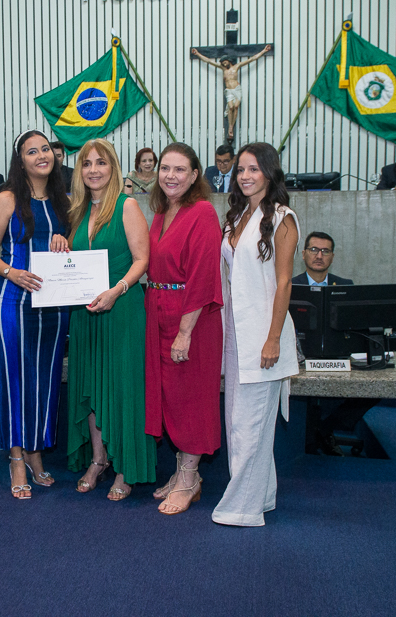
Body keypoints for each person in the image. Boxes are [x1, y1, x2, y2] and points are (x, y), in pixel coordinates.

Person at [0, 129, 71, 500]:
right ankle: (16, 457)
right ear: (21, 160)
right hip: (9, 300)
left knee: (45, 378)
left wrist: (65, 243)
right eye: (32, 152)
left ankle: (36, 451)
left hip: (52, 302)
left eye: (45, 149)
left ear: (55, 155)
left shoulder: (63, 199)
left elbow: (72, 251)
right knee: (15, 378)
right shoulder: (5, 199)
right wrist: (11, 272)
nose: (41, 156)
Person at [213, 142, 300, 527]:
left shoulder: (282, 218)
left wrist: (273, 338)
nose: (245, 176)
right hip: (235, 332)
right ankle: (261, 496)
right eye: (241, 170)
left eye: (253, 169)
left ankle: (242, 508)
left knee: (251, 423)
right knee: (239, 420)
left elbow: (284, 284)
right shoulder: (236, 216)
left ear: (269, 172)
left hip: (266, 335)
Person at [66, 139, 156, 501]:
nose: (93, 170)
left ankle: (125, 467)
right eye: (86, 163)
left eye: (100, 163)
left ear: (113, 167)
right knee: (90, 384)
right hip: (85, 313)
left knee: (122, 387)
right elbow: (70, 262)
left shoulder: (127, 205)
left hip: (122, 310)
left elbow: (142, 260)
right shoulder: (76, 211)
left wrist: (116, 291)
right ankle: (99, 459)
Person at [145, 142, 224, 515]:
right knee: (171, 397)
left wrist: (185, 332)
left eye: (180, 170)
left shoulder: (203, 212)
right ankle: (181, 474)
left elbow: (203, 277)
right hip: (159, 311)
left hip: (191, 318)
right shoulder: (161, 213)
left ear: (195, 176)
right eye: (165, 168)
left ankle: (191, 478)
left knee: (191, 398)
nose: (171, 176)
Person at [290, 233, 377, 456]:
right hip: (299, 358)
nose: (319, 255)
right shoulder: (290, 286)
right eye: (314, 250)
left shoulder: (346, 286)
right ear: (303, 254)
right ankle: (317, 433)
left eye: (325, 251)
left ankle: (323, 428)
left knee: (375, 389)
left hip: (338, 357)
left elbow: (357, 328)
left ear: (332, 256)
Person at [191, 45, 272, 141]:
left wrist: (264, 51)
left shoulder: (236, 67)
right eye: (223, 63)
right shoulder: (223, 69)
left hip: (237, 89)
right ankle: (230, 126)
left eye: (225, 62)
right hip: (229, 90)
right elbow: (208, 61)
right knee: (231, 107)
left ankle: (231, 127)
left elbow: (252, 59)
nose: (224, 64)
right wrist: (198, 54)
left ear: (229, 61)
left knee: (236, 107)